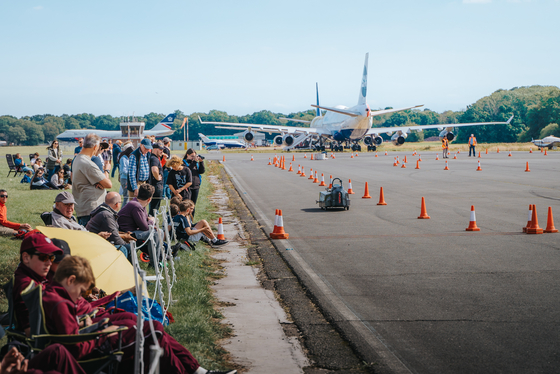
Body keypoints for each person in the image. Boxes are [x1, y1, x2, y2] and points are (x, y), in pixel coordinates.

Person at [42, 256, 236, 374]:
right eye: (81, 290)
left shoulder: (59, 296)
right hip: (97, 347)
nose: (81, 296)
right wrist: (103, 330)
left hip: (94, 336)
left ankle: (195, 370)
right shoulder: (60, 303)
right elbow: (75, 348)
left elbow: (73, 331)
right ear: (71, 280)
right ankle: (193, 371)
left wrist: (97, 325)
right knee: (153, 332)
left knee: (150, 326)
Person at [12, 232, 63, 335]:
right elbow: (31, 330)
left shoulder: (39, 275)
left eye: (51, 258)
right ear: (26, 258)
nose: (49, 262)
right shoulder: (26, 286)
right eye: (44, 257)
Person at [71, 134, 112, 227]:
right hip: (92, 209)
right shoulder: (87, 163)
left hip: (83, 207)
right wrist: (107, 170)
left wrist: (99, 182)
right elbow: (108, 184)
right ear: (95, 147)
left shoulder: (77, 158)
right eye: (99, 147)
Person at [117, 184, 162, 264]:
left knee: (158, 232)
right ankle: (154, 263)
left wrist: (151, 224)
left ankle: (159, 258)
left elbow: (145, 222)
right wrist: (152, 221)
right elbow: (145, 227)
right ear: (149, 199)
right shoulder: (136, 206)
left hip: (133, 231)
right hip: (126, 233)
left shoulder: (138, 204)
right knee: (156, 234)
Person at [86, 192, 136, 260]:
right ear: (117, 204)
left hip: (96, 243)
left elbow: (112, 232)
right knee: (126, 247)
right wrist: (126, 243)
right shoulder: (107, 215)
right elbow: (116, 239)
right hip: (94, 247)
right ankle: (133, 270)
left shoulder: (105, 211)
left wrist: (124, 235)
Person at [184, 149, 205, 217]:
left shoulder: (196, 163)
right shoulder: (184, 163)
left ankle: (191, 219)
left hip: (196, 186)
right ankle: (186, 219)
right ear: (187, 155)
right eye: (192, 156)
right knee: (187, 205)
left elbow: (202, 171)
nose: (193, 158)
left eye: (194, 156)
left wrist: (201, 162)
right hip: (187, 186)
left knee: (193, 205)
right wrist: (194, 162)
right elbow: (187, 170)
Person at [148, 142, 165, 215]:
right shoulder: (154, 158)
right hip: (156, 186)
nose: (162, 151)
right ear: (154, 149)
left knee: (153, 208)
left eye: (162, 149)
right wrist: (158, 177)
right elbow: (154, 169)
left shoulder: (152, 157)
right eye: (160, 149)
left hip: (154, 185)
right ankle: (152, 225)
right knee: (154, 210)